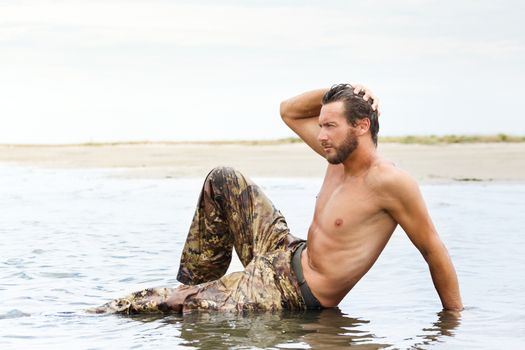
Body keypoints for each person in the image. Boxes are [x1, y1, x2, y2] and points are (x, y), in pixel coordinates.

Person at [90, 83, 463, 314]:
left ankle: (150, 305)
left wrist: (453, 322)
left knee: (167, 306)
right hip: (288, 252)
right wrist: (344, 87)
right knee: (224, 179)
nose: (321, 136)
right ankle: (195, 283)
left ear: (361, 126)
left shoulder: (390, 183)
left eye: (330, 125)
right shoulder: (337, 158)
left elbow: (434, 250)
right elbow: (288, 111)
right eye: (321, 126)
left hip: (295, 293)